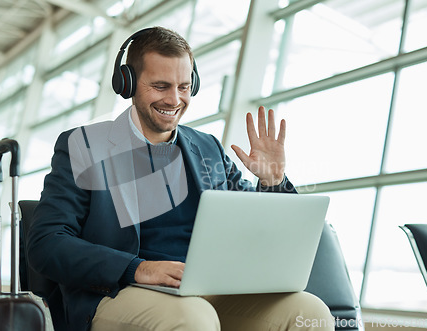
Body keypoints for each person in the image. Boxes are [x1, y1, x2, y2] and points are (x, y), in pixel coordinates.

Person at [27, 26, 334, 330]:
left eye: (184, 87)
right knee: (192, 318)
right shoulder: (83, 146)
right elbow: (46, 244)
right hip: (121, 290)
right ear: (128, 83)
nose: (174, 100)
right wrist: (137, 269)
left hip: (206, 290)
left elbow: (257, 225)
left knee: (310, 312)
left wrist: (272, 181)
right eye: (160, 86)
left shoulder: (208, 148)